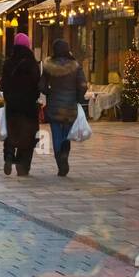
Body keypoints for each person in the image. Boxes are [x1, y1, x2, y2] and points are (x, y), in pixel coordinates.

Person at [39, 38, 89, 178]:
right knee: (66, 134)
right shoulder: (75, 66)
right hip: (70, 106)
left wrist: (49, 93)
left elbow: (41, 86)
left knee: (56, 134)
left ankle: (60, 163)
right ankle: (65, 155)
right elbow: (83, 85)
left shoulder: (49, 66)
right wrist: (78, 98)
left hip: (54, 105)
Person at [0, 33, 41, 177]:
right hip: (28, 107)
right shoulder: (32, 63)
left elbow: (3, 84)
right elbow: (37, 85)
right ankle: (23, 166)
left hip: (12, 105)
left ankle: (9, 156)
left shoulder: (8, 63)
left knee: (12, 132)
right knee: (27, 135)